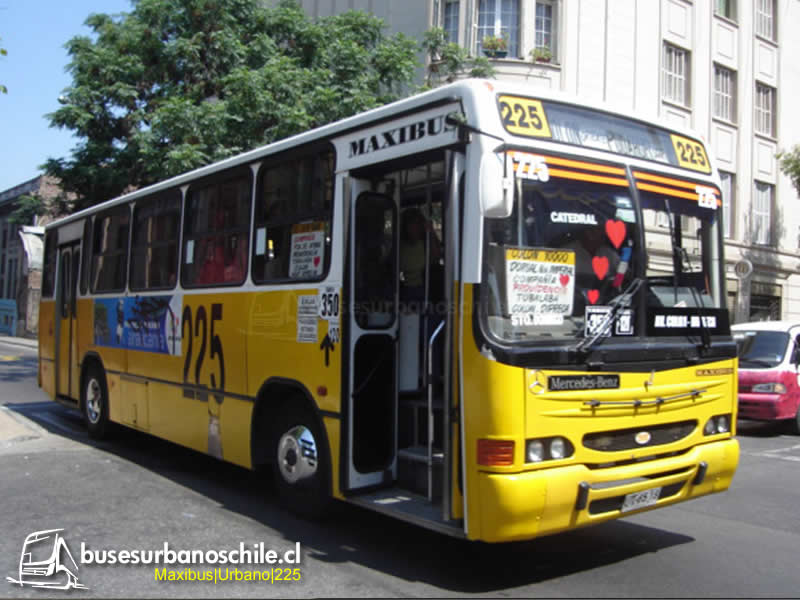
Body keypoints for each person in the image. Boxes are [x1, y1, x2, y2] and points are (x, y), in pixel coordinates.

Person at [400, 207, 442, 305]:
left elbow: (436, 257)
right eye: (410, 224)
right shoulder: (400, 245)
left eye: (416, 224)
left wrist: (431, 232)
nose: (413, 228)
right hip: (406, 290)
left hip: (424, 290)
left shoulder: (426, 242)